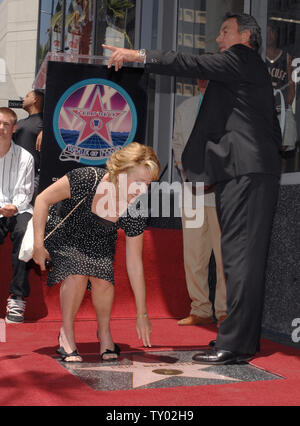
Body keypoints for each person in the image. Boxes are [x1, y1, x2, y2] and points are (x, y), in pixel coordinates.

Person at [103, 12, 282, 364]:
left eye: (225, 32)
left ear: (246, 36)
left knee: (239, 259)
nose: (219, 39)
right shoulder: (242, 68)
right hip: (242, 172)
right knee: (240, 259)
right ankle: (241, 340)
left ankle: (235, 344)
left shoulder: (241, 58)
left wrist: (138, 55)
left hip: (247, 171)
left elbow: (188, 61)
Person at [33, 142, 160, 362]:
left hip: (99, 241)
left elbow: (135, 264)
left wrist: (142, 313)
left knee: (103, 279)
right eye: (137, 182)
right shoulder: (87, 178)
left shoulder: (135, 208)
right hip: (64, 232)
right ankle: (67, 334)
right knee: (78, 272)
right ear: (119, 173)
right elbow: (42, 200)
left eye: (147, 184)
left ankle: (104, 332)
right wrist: (37, 244)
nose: (142, 190)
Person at [172, 80, 227, 327]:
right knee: (194, 255)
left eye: (208, 75)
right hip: (192, 192)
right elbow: (178, 146)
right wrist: (192, 177)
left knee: (225, 254)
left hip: (220, 193)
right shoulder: (185, 108)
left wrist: (214, 178)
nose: (203, 80)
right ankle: (200, 309)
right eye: (200, 76)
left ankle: (225, 310)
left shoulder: (227, 108)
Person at [0, 107, 35, 323]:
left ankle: (17, 298)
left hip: (18, 208)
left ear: (14, 129)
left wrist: (13, 207)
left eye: (6, 124)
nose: (1, 128)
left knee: (25, 232)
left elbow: (26, 192)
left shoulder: (26, 157)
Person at [266, 22, 297, 151]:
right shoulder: (257, 57)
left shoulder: (287, 57)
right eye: (266, 32)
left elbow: (291, 84)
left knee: (282, 149)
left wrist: (287, 104)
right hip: (263, 111)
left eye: (271, 32)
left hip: (282, 111)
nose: (269, 36)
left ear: (276, 35)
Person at [13, 89, 44, 199]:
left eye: (27, 96)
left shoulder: (47, 124)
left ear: (35, 99)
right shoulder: (20, 122)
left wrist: (47, 130)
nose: (23, 99)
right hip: (14, 176)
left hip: (32, 178)